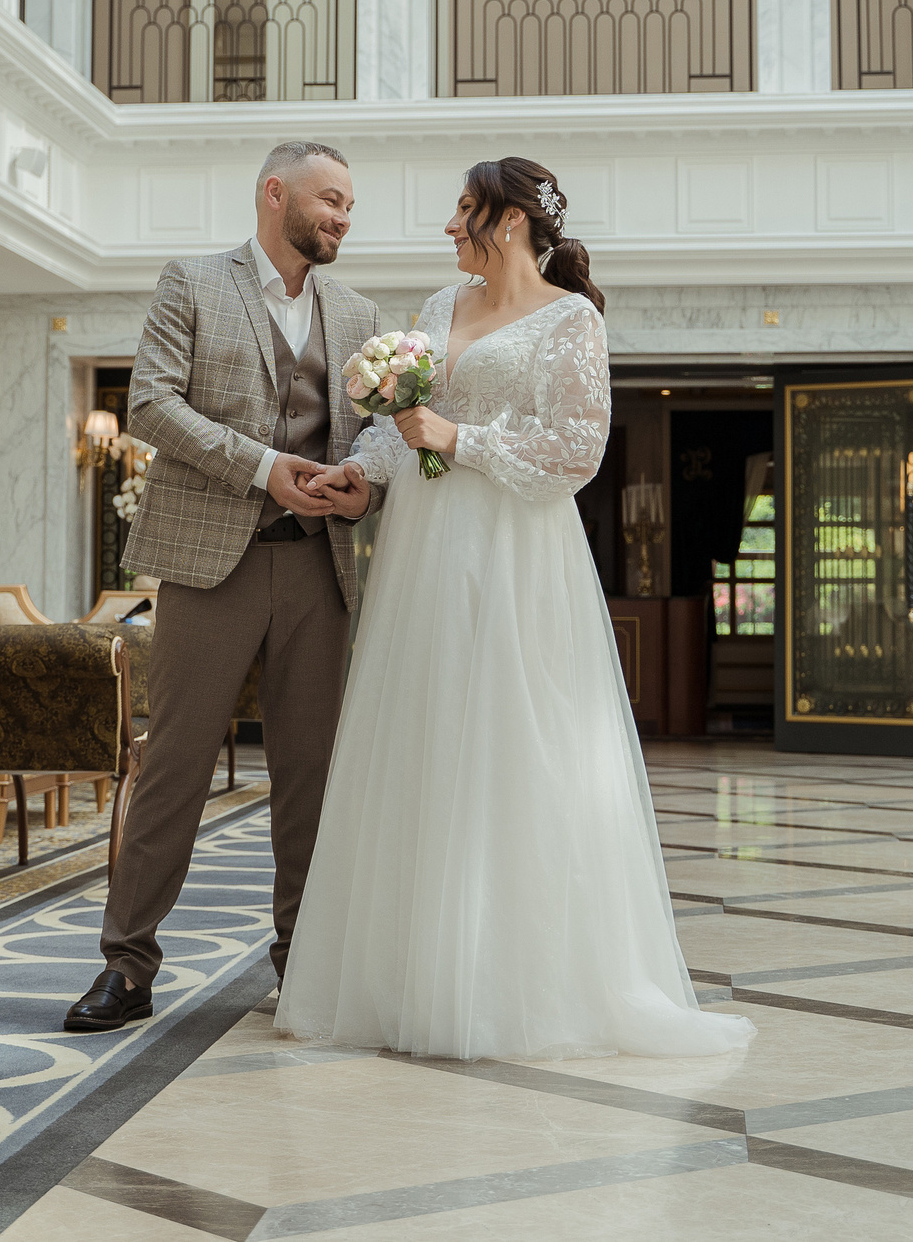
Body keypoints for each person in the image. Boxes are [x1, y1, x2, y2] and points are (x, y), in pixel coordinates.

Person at [274, 157, 757, 1062]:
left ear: (507, 219)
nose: (447, 225)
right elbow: (402, 429)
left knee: (508, 743)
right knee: (421, 744)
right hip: (422, 557)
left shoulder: (571, 319)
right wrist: (359, 474)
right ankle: (406, 980)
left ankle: (507, 987)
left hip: (513, 556)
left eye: (463, 208)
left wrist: (461, 439)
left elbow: (578, 449)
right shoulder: (437, 306)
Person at [64, 141, 388, 1033]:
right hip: (212, 564)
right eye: (330, 199)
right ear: (274, 192)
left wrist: (363, 481)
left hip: (319, 567)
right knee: (174, 765)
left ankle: (303, 965)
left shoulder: (358, 314)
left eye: (349, 206)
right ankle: (127, 966)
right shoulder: (194, 282)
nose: (342, 217)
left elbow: (377, 435)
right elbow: (150, 403)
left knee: (310, 776)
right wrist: (260, 466)